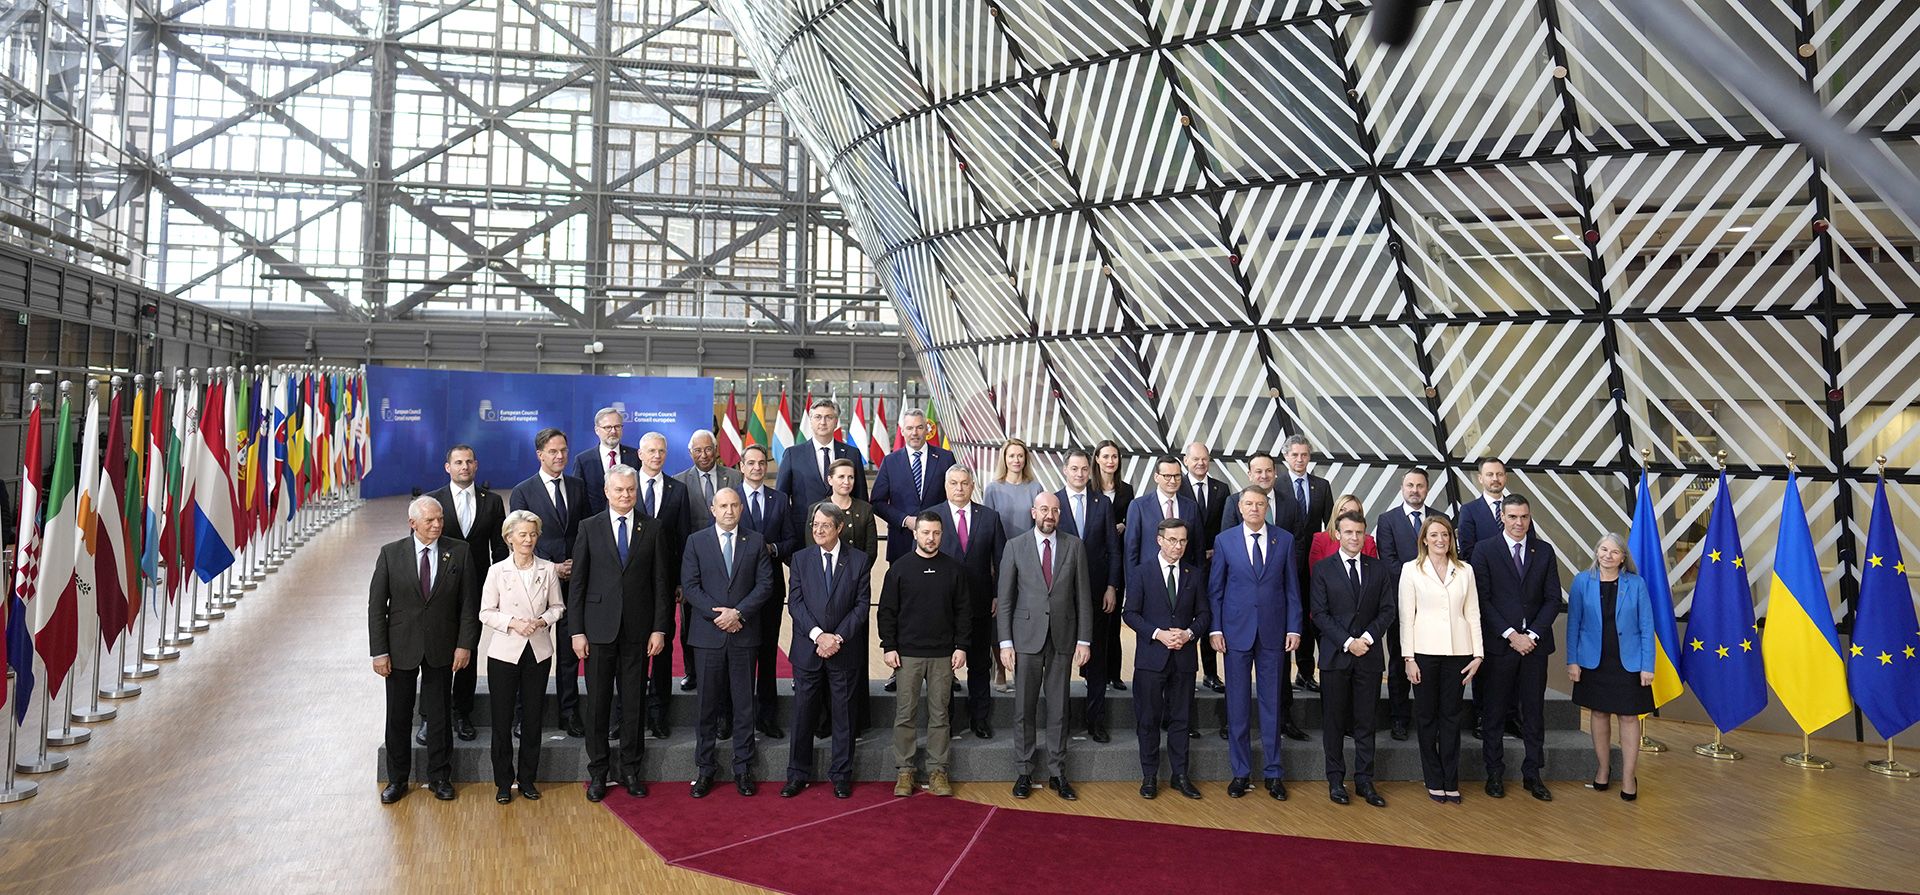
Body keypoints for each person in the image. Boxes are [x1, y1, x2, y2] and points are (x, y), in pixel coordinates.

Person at [568, 465, 673, 802]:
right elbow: (578, 584)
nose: (626, 495)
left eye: (631, 489)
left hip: (639, 633)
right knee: (597, 706)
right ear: (606, 490)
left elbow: (661, 585)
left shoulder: (653, 528)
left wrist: (660, 628)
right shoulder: (589, 527)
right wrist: (577, 632)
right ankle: (598, 772)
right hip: (597, 631)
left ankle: (630, 769)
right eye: (619, 490)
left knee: (633, 704)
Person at [370, 497, 480, 804]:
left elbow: (468, 605)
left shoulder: (459, 551)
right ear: (412, 523)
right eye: (430, 520)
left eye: (440, 519)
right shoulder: (391, 554)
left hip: (443, 648)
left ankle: (440, 777)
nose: (437, 525)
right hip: (400, 649)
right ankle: (397, 780)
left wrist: (464, 644)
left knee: (441, 716)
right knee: (398, 717)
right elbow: (376, 608)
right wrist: (379, 652)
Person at [997, 492, 1092, 801]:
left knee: (1059, 708)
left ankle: (1057, 772)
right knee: (1023, 708)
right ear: (1033, 512)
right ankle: (1024, 770)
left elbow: (1083, 598)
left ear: (1059, 514)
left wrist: (1084, 639)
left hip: (1063, 638)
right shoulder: (1015, 546)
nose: (1049, 515)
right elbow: (1006, 600)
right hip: (1025, 639)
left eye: (1054, 510)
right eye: (1043, 509)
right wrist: (1005, 643)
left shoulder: (1075, 546)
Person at [681, 486, 774, 798]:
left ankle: (743, 768)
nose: (729, 511)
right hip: (708, 637)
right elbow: (690, 587)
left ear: (742, 508)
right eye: (723, 506)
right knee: (706, 706)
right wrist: (718, 614)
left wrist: (739, 614)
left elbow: (765, 585)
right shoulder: (696, 541)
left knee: (744, 705)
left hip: (744, 635)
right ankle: (705, 769)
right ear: (712, 509)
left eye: (735, 505)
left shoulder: (756, 541)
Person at [1209, 487, 1300, 800]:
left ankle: (1274, 773)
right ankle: (1241, 772)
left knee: (1272, 704)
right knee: (1237, 705)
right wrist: (1215, 629)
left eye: (1260, 504)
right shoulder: (1224, 541)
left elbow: (1292, 588)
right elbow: (1216, 590)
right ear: (1240, 507)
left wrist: (1294, 627)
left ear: (1267, 507)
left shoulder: (1284, 540)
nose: (1254, 509)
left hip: (1274, 633)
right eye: (1248, 503)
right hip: (1235, 633)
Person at [1469, 494, 1560, 802]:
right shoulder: (1484, 550)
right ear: (1502, 519)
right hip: (1499, 647)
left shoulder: (1544, 551)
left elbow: (1552, 599)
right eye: (1513, 517)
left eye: (1524, 517)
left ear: (1529, 518)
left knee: (1533, 714)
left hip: (1534, 647)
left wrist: (1532, 634)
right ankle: (1494, 774)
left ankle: (1532, 775)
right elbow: (1482, 599)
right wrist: (1511, 635)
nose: (1519, 522)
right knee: (1493, 714)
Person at [878, 512, 970, 797]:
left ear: (942, 535)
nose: (930, 538)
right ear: (915, 534)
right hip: (907, 655)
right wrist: (889, 645)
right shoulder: (900, 569)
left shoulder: (954, 569)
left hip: (943, 655)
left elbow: (964, 612)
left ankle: (938, 771)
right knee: (905, 714)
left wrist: (961, 646)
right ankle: (905, 772)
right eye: (925, 532)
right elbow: (887, 611)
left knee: (940, 715)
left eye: (936, 533)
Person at [783, 503, 871, 799]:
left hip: (844, 651)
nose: (818, 530)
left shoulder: (859, 561)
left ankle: (841, 775)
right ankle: (797, 774)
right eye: (815, 525)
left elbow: (861, 607)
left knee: (844, 716)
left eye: (825, 525)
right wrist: (820, 636)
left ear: (839, 528)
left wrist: (838, 638)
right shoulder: (800, 559)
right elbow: (795, 603)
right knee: (803, 715)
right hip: (809, 650)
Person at [477, 509, 563, 804]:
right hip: (504, 653)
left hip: (537, 651)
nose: (528, 540)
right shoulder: (496, 571)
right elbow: (485, 611)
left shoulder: (548, 569)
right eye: (522, 534)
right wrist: (514, 622)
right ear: (509, 538)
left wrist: (541, 622)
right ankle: (503, 781)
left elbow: (558, 608)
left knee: (532, 718)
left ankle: (527, 779)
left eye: (533, 534)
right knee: (501, 720)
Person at [1311, 511, 1394, 808]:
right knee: (1333, 721)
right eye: (1348, 532)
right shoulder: (1323, 569)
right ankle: (1335, 779)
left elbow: (1387, 610)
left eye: (1359, 533)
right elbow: (1319, 614)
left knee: (1365, 721)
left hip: (1369, 657)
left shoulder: (1379, 569)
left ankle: (1364, 781)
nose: (1354, 538)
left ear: (1365, 534)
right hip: (1336, 656)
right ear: (1338, 533)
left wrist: (1366, 640)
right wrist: (1348, 642)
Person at [508, 428, 588, 738]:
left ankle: (569, 714)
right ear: (540, 455)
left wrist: (574, 566)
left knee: (569, 653)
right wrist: (551, 567)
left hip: (573, 583)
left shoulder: (579, 487)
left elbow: (586, 532)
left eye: (564, 450)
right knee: (529, 653)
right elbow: (519, 540)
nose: (560, 456)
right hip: (535, 583)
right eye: (553, 452)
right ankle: (524, 715)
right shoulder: (523, 491)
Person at [425, 443, 507, 744]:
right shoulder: (432, 501)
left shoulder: (493, 502)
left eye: (469, 461)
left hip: (476, 588)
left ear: (476, 465)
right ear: (447, 467)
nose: (464, 466)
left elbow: (499, 551)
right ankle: (430, 716)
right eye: (458, 462)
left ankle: (462, 713)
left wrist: (499, 589)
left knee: (467, 651)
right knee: (435, 652)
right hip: (438, 590)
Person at [1399, 515, 1482, 803]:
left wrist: (1478, 654)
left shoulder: (1465, 570)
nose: (1440, 540)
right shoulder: (1411, 570)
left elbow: (1473, 613)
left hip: (1458, 653)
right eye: (1434, 535)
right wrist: (1408, 657)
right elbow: (1406, 617)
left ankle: (1450, 778)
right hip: (1423, 652)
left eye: (1445, 535)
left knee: (1451, 717)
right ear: (1424, 539)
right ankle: (1433, 776)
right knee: (1426, 718)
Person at [1567, 532, 1655, 802]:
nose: (1607, 555)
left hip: (1628, 662)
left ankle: (1629, 776)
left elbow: (1646, 626)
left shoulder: (1636, 584)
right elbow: (1574, 624)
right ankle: (1603, 769)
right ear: (1596, 552)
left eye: (1614, 552)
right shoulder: (1582, 581)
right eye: (1603, 549)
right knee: (1599, 713)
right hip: (1593, 661)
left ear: (1622, 558)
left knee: (1629, 717)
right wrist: (1573, 661)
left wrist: (1647, 665)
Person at [1125, 518, 1208, 800]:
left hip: (1184, 658)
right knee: (1148, 719)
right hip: (1151, 658)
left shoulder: (1194, 574)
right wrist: (1158, 634)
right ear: (1159, 540)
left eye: (1183, 541)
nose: (1178, 546)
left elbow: (1205, 615)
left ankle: (1179, 775)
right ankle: (1149, 776)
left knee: (1181, 720)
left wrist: (1189, 634)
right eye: (1173, 540)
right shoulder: (1142, 572)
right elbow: (1130, 613)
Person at [930, 465, 1006, 739]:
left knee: (979, 665)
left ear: (972, 486)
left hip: (981, 603)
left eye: (964, 483)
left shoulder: (989, 517)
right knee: (942, 669)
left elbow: (1001, 561)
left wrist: (998, 593)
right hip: (941, 608)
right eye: (954, 483)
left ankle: (980, 719)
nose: (959, 488)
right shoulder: (932, 517)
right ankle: (945, 721)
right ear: (946, 486)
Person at [1057, 449, 1120, 742]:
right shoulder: (1052, 502)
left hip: (1097, 594)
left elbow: (1113, 548)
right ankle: (1062, 722)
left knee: (1097, 662)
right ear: (1065, 471)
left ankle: (1096, 721)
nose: (1080, 474)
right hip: (1060, 597)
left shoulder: (1102, 502)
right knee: (1061, 661)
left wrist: (1111, 586)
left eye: (1084, 469)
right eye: (1074, 469)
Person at [1374, 467, 1438, 742]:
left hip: (1435, 607)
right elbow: (1388, 562)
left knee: (1431, 662)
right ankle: (1399, 718)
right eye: (1410, 485)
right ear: (1402, 488)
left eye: (1420, 486)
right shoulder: (1387, 520)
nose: (1415, 490)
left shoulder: (1440, 519)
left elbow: (1445, 560)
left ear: (1427, 488)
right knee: (1400, 662)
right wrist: (1419, 583)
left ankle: (1429, 717)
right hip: (1401, 604)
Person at [736, 444, 796, 739]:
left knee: (768, 654)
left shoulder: (780, 499)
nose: (758, 468)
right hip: (738, 591)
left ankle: (767, 717)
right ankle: (738, 717)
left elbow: (791, 541)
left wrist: (772, 548)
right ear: (741, 466)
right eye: (752, 463)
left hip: (771, 588)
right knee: (740, 656)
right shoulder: (730, 498)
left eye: (762, 462)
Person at [634, 430, 693, 730]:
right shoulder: (625, 484)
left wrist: (681, 580)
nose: (657, 456)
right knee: (632, 650)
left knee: (663, 647)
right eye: (651, 451)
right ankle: (629, 713)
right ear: (640, 454)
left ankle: (659, 714)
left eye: (662, 451)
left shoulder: (677, 490)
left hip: (664, 583)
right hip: (630, 585)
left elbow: (683, 538)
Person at [825, 458, 879, 732]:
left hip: (855, 593)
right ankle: (825, 722)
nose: (847, 482)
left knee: (855, 657)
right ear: (830, 479)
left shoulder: (865, 510)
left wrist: (850, 578)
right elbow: (814, 552)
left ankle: (856, 722)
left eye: (851, 477)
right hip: (824, 596)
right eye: (841, 477)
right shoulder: (818, 510)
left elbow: (871, 553)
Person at [1278, 435, 1330, 691]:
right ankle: (1282, 673)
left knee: (1310, 618)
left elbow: (1331, 527)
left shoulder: (1322, 486)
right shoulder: (1277, 486)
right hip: (1283, 562)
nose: (1300, 459)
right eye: (1295, 455)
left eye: (1304, 455)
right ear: (1285, 456)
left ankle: (1306, 672)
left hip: (1314, 564)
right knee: (1285, 616)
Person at [1180, 442, 1231, 694]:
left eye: (1205, 459)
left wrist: (1215, 550)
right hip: (1184, 563)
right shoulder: (1177, 485)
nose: (1201, 463)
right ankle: (1186, 672)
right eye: (1196, 459)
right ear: (1186, 460)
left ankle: (1211, 673)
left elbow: (1225, 524)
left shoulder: (1221, 489)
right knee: (1185, 617)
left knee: (1207, 616)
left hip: (1212, 564)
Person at [871, 408, 954, 562]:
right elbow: (877, 502)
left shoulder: (946, 459)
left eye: (919, 427)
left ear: (927, 429)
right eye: (909, 428)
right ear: (902, 431)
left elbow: (953, 499)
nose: (914, 433)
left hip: (937, 542)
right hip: (901, 541)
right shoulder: (890, 462)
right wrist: (905, 520)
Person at [775, 398, 868, 514]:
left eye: (829, 417)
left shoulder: (852, 454)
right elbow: (781, 498)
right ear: (811, 421)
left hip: (844, 527)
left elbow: (861, 496)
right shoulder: (792, 455)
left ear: (836, 422)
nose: (823, 422)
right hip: (803, 528)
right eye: (818, 417)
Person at [1093, 440, 1133, 691]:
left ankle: (1114, 673)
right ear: (1096, 458)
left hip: (1117, 558)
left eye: (1114, 457)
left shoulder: (1127, 490)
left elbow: (1133, 518)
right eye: (1106, 456)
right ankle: (1093, 672)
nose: (1110, 461)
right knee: (1094, 619)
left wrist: (1124, 526)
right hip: (1094, 558)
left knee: (1113, 617)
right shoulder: (1088, 487)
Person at [572, 407, 640, 517]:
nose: (613, 431)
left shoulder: (635, 457)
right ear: (597, 430)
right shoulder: (583, 460)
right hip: (594, 524)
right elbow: (578, 498)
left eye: (617, 426)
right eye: (608, 427)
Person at [675, 429, 744, 531]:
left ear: (716, 450)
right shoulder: (679, 481)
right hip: (694, 542)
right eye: (698, 450)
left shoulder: (736, 477)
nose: (703, 455)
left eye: (708, 449)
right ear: (690, 453)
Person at [982, 439, 1046, 541]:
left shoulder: (1036, 488)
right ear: (1004, 458)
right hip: (1002, 550)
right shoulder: (992, 489)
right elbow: (987, 526)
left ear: (1025, 459)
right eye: (1011, 456)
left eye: (1020, 456)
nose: (1016, 460)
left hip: (1029, 548)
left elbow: (1041, 524)